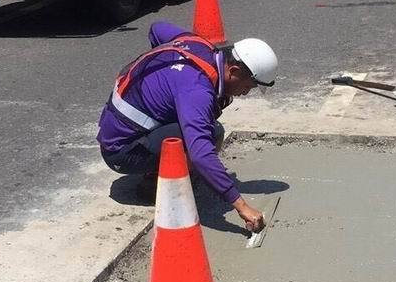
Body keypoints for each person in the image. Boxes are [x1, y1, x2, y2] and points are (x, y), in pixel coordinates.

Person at [98, 21, 278, 233]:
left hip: (117, 128)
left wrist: (163, 77)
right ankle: (162, 187)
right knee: (210, 134)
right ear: (234, 70)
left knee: (204, 126)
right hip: (121, 152)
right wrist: (241, 206)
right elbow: (201, 154)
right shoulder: (197, 91)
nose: (245, 93)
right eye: (248, 86)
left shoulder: (196, 44)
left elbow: (157, 28)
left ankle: (163, 167)